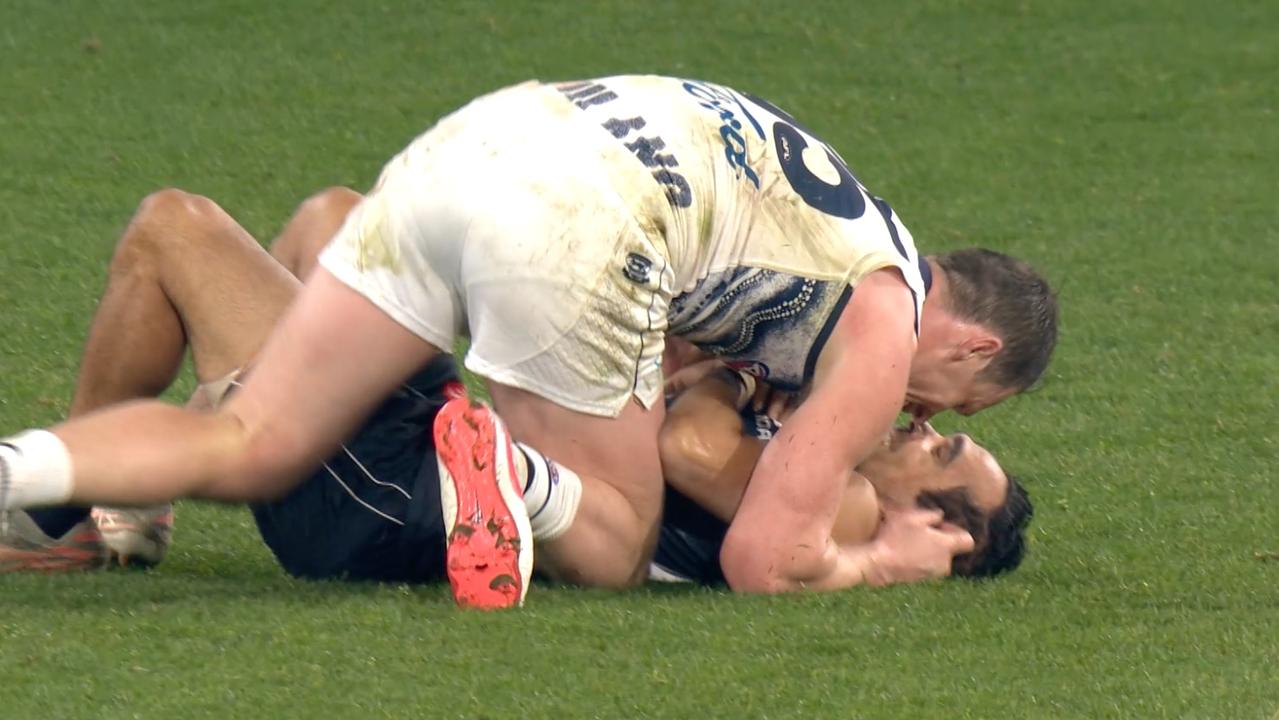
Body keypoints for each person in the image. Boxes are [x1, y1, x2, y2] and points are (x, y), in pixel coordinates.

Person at [0, 76, 1057, 608]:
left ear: (943, 528)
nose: (920, 423)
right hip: (434, 437)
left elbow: (700, 462)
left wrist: (875, 555)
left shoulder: (854, 490)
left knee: (175, 231)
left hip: (393, 502)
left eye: (948, 444)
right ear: (967, 346)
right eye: (952, 426)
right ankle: (156, 471)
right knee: (329, 217)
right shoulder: (833, 364)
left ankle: (77, 507)